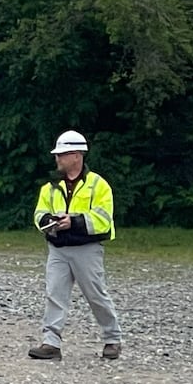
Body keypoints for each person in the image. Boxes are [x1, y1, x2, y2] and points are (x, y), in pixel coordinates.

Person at [28, 130, 123, 360]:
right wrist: (49, 222)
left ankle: (113, 339)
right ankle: (51, 343)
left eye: (61, 154)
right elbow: (39, 213)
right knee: (54, 294)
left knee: (96, 295)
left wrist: (74, 222)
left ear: (76, 156)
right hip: (58, 248)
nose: (57, 159)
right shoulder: (50, 187)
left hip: (86, 249)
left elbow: (103, 219)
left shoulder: (99, 185)